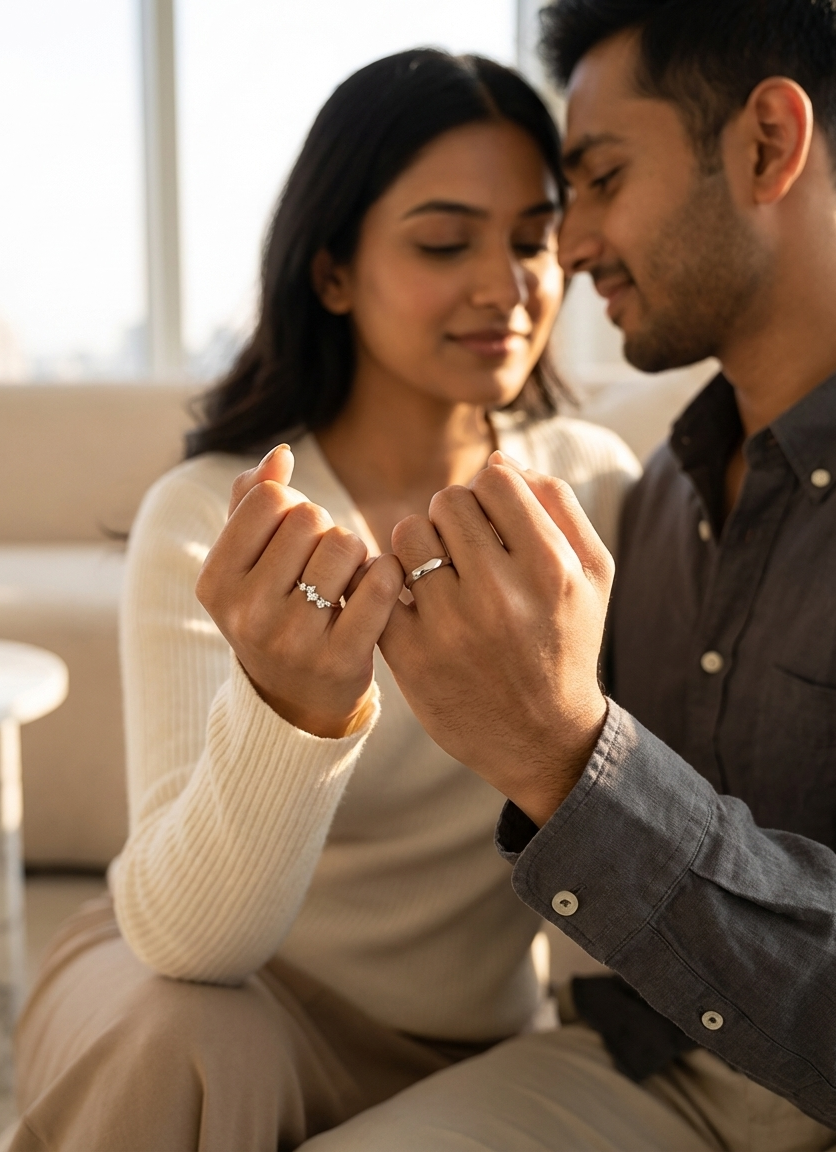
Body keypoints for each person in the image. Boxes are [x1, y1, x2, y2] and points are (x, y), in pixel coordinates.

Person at [5, 49, 640, 1151]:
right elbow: (193, 945)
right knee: (181, 1033)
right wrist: (296, 713)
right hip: (211, 992)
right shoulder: (216, 517)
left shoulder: (593, 494)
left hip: (475, 1040)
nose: (508, 286)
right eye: (445, 243)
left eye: (533, 239)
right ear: (334, 272)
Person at [276, 1, 836, 1149]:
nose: (565, 251)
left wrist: (566, 753)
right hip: (640, 1064)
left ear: (768, 145)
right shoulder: (656, 495)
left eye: (601, 179)